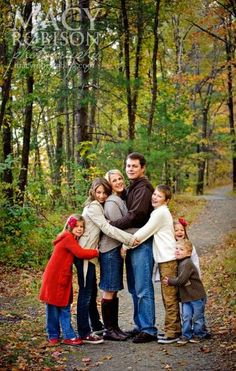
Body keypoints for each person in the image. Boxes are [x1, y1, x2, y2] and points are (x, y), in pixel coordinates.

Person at [74, 178, 137, 344]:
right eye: (98, 192)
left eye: (104, 193)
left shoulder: (99, 206)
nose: (101, 196)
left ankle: (98, 326)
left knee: (91, 291)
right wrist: (130, 239)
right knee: (86, 294)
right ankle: (84, 332)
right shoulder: (93, 206)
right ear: (93, 192)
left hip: (91, 255)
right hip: (84, 255)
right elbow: (107, 228)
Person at [122, 184, 181, 344]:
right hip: (164, 259)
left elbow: (143, 233)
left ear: (166, 201)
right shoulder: (158, 212)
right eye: (154, 194)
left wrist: (125, 245)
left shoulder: (160, 213)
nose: (154, 197)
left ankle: (173, 332)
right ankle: (172, 329)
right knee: (167, 295)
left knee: (169, 297)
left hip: (168, 260)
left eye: (159, 196)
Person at [110, 153, 157, 343]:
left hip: (142, 243)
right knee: (134, 287)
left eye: (134, 166)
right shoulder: (133, 187)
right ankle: (140, 325)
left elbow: (136, 215)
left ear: (143, 168)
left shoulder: (144, 188)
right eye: (128, 166)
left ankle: (149, 329)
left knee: (143, 287)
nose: (130, 169)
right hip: (131, 243)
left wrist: (111, 225)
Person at [39, 214, 99, 346]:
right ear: (70, 226)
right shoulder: (67, 237)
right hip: (56, 277)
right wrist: (96, 252)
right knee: (57, 306)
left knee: (60, 305)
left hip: (60, 276)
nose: (79, 229)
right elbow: (81, 253)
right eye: (76, 226)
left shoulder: (69, 238)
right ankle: (61, 335)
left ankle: (58, 335)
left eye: (82, 227)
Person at [99, 169, 133, 341]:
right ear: (109, 184)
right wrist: (129, 241)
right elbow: (117, 229)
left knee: (114, 289)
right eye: (114, 180)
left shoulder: (118, 199)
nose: (119, 182)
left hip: (115, 249)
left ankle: (115, 327)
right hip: (110, 250)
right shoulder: (112, 202)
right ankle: (108, 330)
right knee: (109, 289)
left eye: (120, 178)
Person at [163, 239, 208, 344]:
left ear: (188, 253)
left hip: (196, 296)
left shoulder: (187, 263)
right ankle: (186, 335)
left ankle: (199, 334)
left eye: (181, 249)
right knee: (186, 316)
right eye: (176, 248)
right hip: (186, 297)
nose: (178, 251)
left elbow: (182, 280)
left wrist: (170, 281)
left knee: (197, 317)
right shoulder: (179, 263)